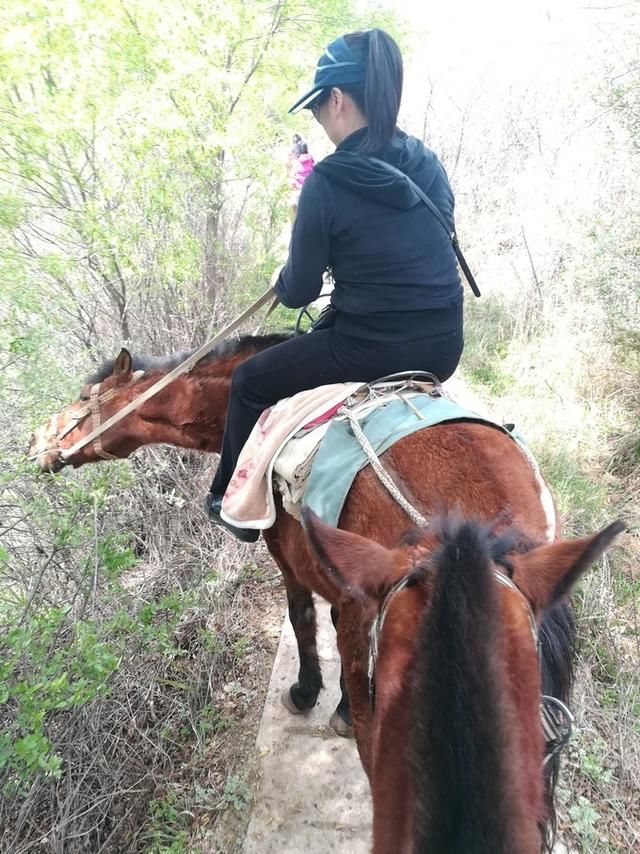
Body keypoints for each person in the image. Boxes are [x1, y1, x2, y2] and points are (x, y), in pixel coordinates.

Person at [206, 29, 464, 541]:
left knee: (249, 381)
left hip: (368, 348)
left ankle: (229, 505)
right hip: (443, 345)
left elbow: (299, 291)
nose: (319, 121)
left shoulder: (327, 181)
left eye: (318, 109)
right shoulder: (426, 162)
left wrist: (286, 277)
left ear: (339, 100)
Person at [289, 133, 316, 219]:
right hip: (311, 189)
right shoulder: (311, 159)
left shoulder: (296, 162)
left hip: (299, 190)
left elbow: (292, 177)